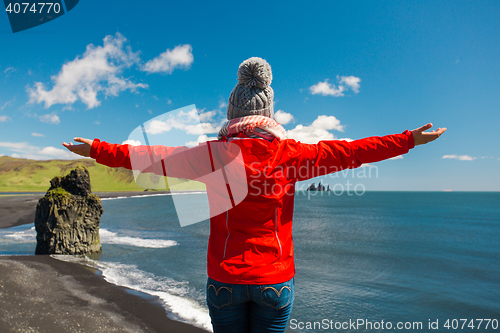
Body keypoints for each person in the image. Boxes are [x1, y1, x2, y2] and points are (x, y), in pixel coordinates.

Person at [63, 57, 446, 333]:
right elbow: (354, 151)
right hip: (274, 282)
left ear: (231, 114)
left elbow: (150, 158)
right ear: (269, 114)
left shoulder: (211, 156)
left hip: (225, 280)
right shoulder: (292, 155)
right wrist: (408, 140)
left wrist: (97, 148)